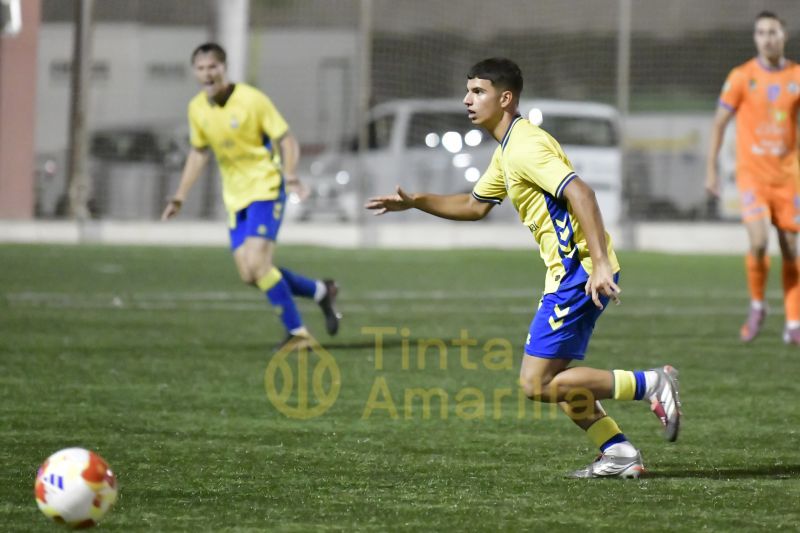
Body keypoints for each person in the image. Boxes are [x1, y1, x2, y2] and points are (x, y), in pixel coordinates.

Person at [366, 58, 681, 478]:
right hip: (568, 274)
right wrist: (416, 201)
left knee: (536, 383)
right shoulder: (507, 149)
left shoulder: (526, 145)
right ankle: (618, 452)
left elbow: (582, 194)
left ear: (505, 98)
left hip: (580, 274)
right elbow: (474, 205)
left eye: (478, 91)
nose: (467, 99)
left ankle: (650, 384)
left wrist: (600, 265)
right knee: (556, 379)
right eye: (468, 90)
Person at [162, 42, 341, 350]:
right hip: (235, 198)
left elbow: (287, 140)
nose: (207, 74)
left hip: (265, 189)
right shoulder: (197, 109)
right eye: (201, 69)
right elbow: (199, 152)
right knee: (250, 272)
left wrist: (292, 175)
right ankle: (320, 292)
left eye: (212, 67)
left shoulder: (251, 100)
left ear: (224, 68)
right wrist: (180, 195)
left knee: (258, 264)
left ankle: (297, 333)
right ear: (195, 72)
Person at [706, 11, 800, 344]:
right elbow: (719, 123)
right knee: (759, 241)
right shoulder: (742, 76)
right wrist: (712, 168)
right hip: (753, 178)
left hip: (788, 179)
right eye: (760, 32)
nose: (767, 38)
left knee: (791, 249)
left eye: (772, 32)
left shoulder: (796, 76)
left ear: (783, 36)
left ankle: (793, 324)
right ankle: (758, 305)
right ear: (755, 38)